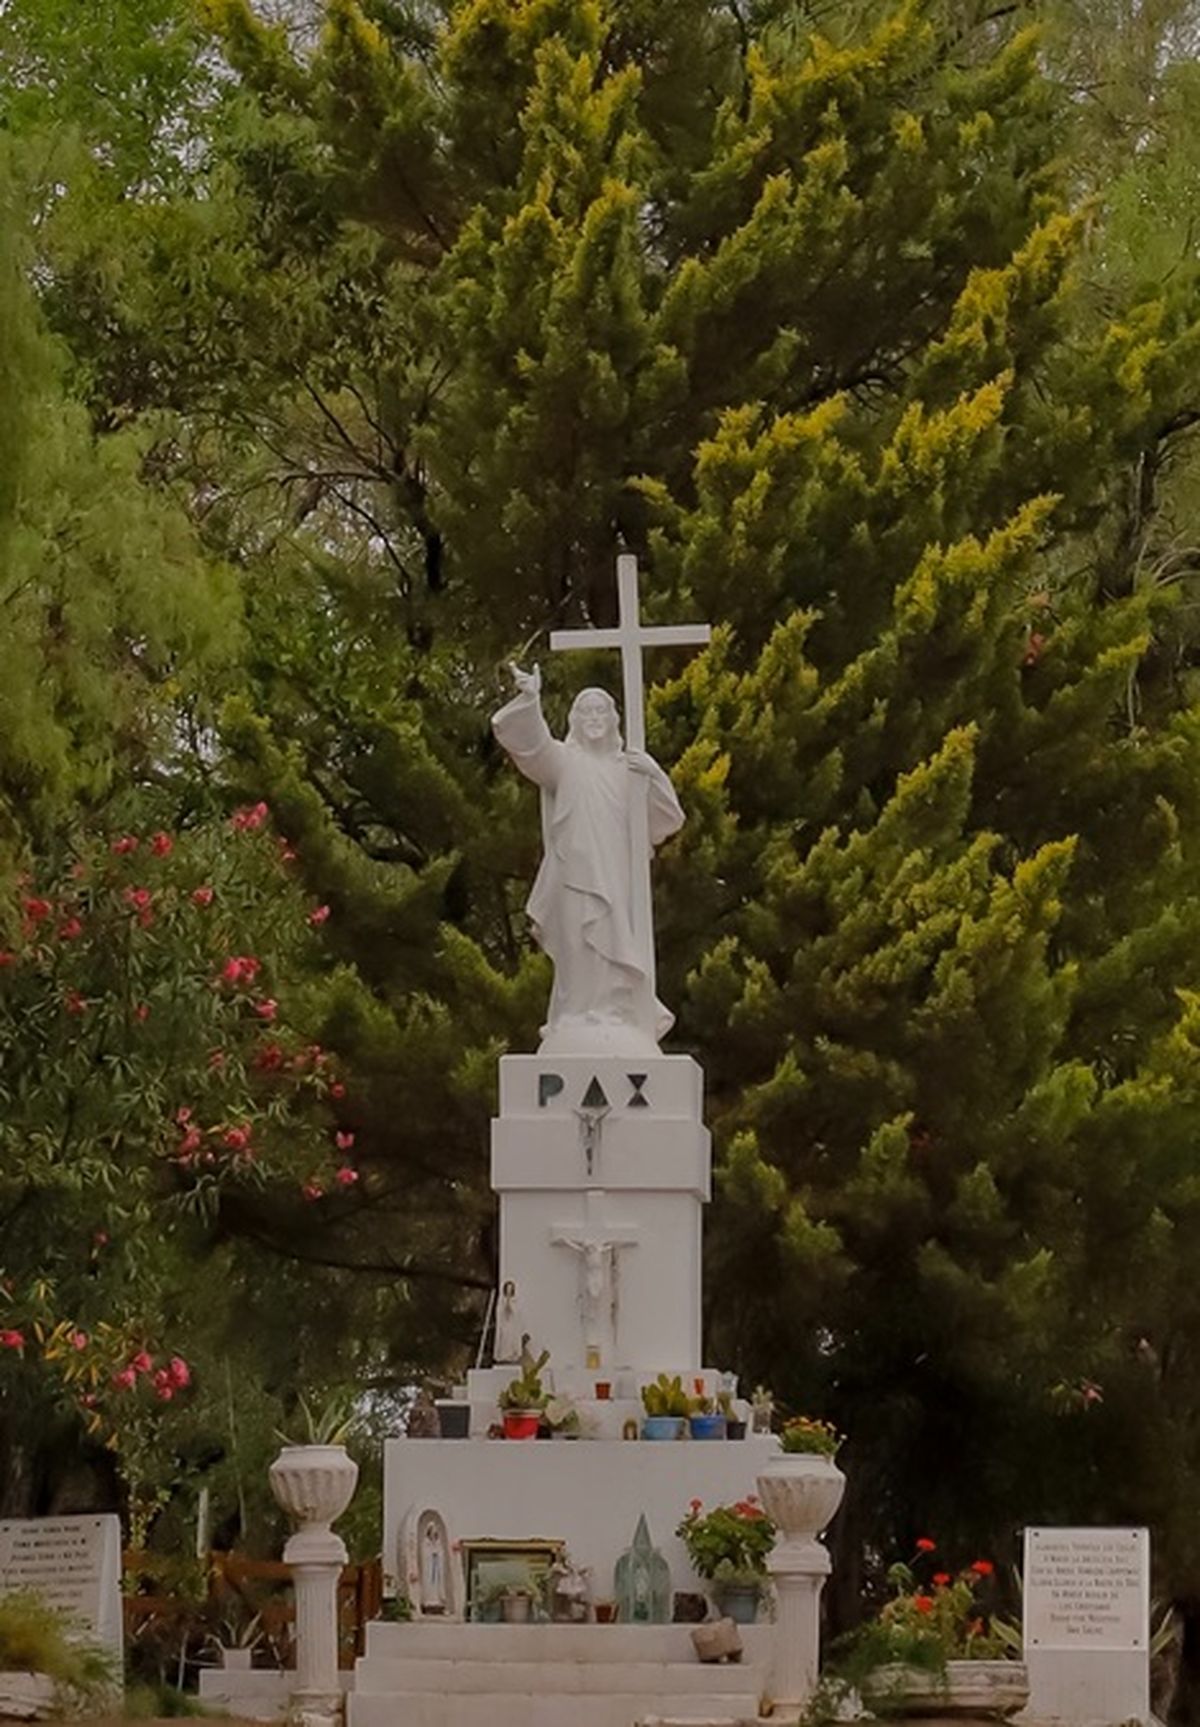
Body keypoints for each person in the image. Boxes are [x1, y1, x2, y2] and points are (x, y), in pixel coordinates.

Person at [491, 663, 683, 1046]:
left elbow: (667, 821)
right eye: (585, 711)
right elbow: (534, 748)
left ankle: (615, 1011)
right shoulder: (566, 760)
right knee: (579, 941)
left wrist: (654, 775)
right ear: (575, 720)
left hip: (615, 873)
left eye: (601, 711)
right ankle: (575, 1013)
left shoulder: (627, 769)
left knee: (612, 938)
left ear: (613, 720)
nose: (593, 718)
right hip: (574, 871)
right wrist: (530, 700)